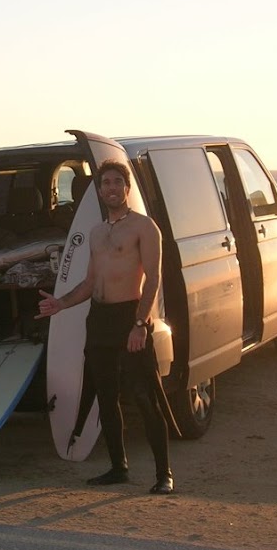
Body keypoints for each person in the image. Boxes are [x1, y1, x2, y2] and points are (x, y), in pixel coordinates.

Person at [37, 160, 174, 493]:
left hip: (130, 317)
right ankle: (118, 467)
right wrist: (62, 303)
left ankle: (164, 475)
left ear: (127, 188)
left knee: (144, 396)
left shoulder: (145, 227)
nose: (111, 188)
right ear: (99, 191)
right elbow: (89, 283)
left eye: (117, 182)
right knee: (106, 396)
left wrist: (140, 324)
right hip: (99, 319)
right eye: (105, 183)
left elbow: (154, 278)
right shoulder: (97, 233)